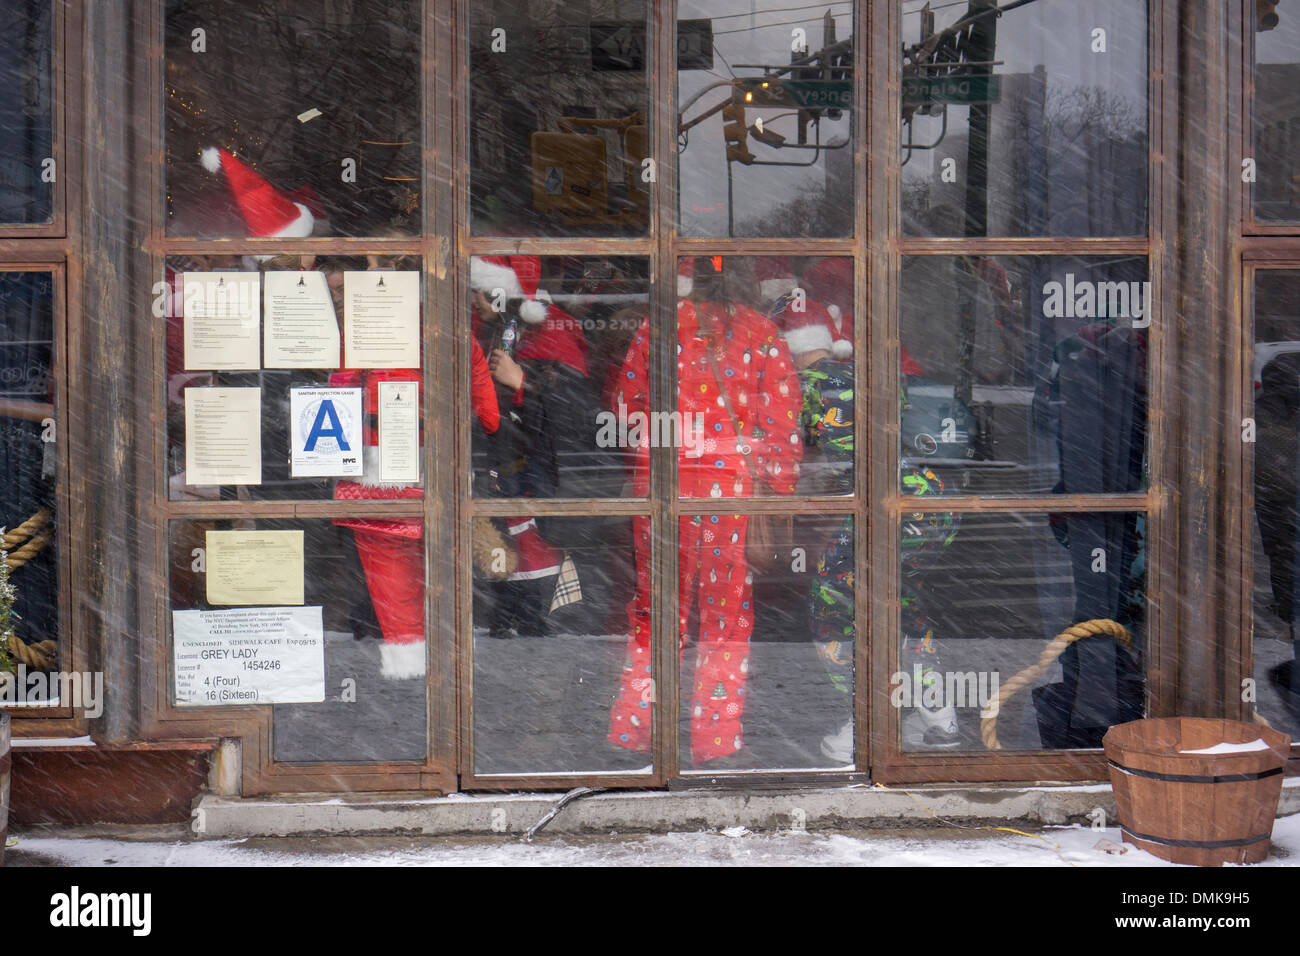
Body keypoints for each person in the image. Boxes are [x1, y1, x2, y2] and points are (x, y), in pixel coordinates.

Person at [607, 256, 803, 767]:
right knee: (726, 618)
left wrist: (651, 462)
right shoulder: (762, 333)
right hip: (730, 492)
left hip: (664, 487)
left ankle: (637, 727)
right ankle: (713, 738)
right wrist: (778, 493)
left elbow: (629, 409)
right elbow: (779, 428)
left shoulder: (659, 328)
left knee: (655, 610)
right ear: (749, 284)